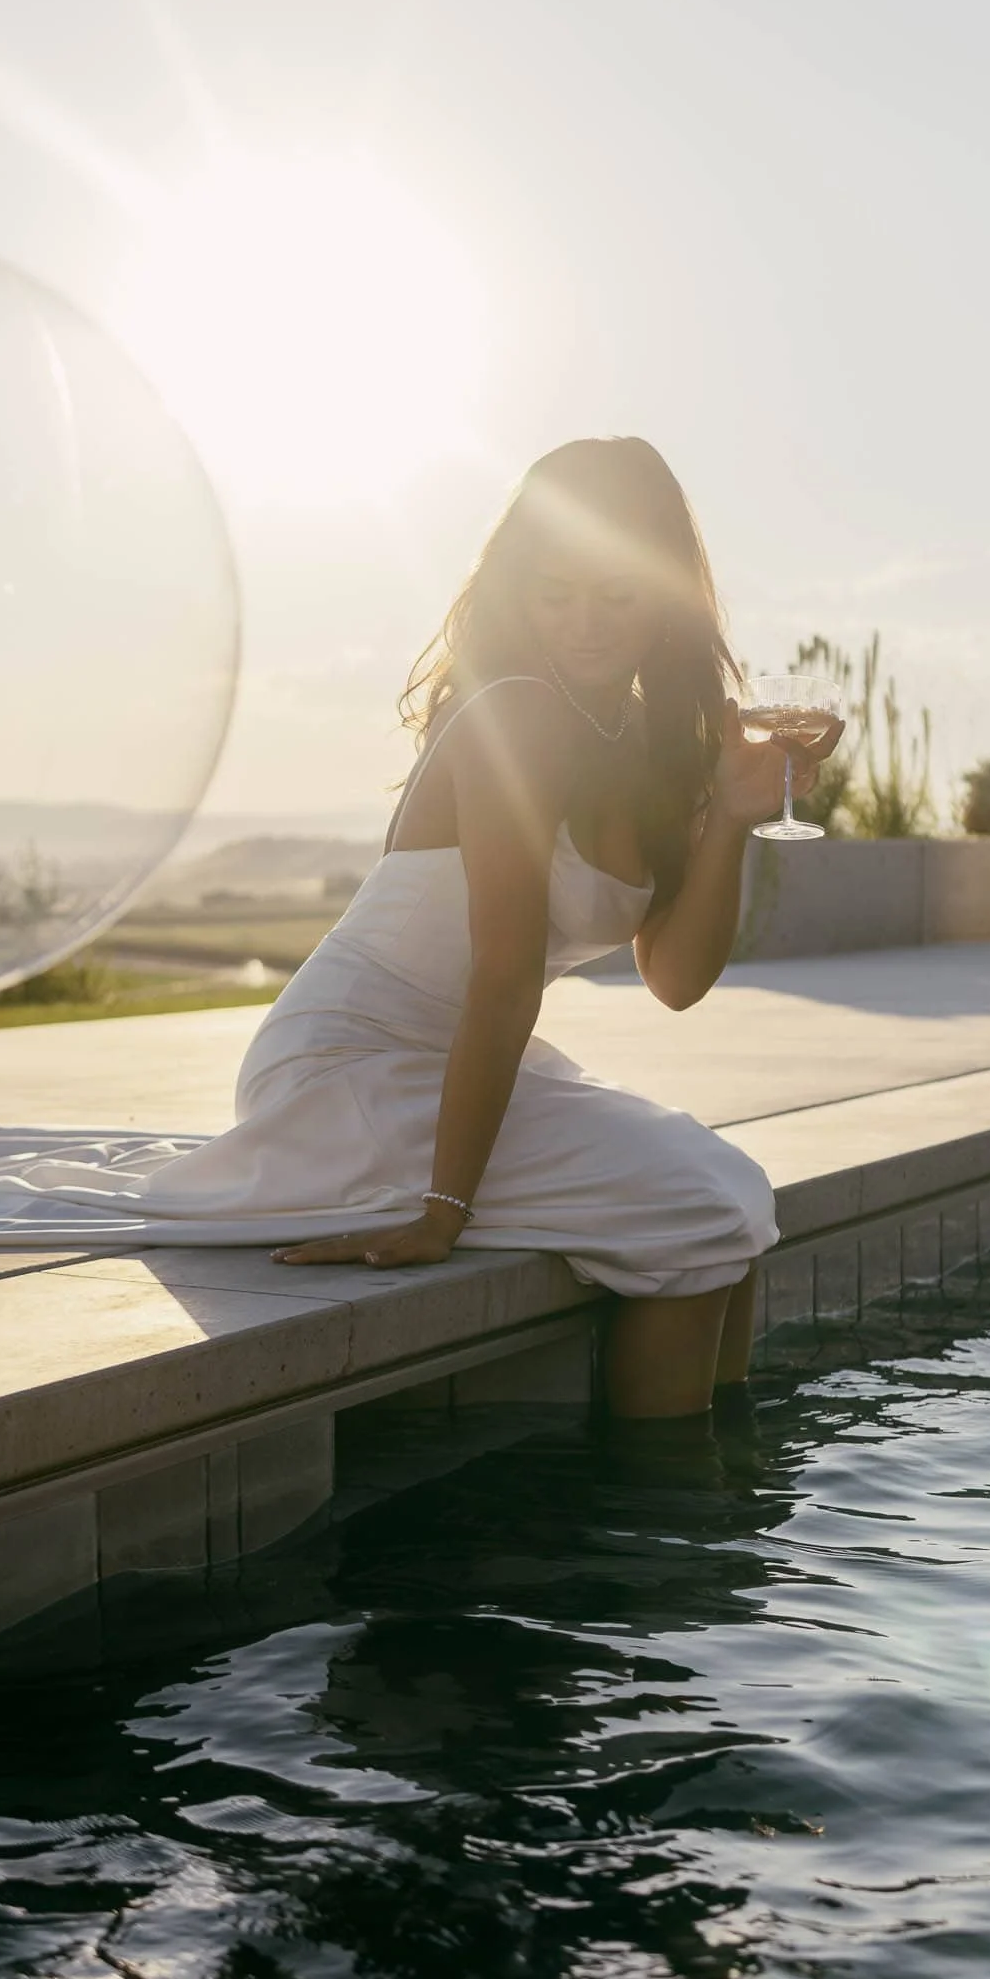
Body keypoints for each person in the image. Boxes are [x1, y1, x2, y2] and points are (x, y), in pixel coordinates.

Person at [235, 436, 836, 1418]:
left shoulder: (651, 740)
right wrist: (444, 1212)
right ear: (518, 589)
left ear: (666, 595)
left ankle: (723, 1495)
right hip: (341, 1067)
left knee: (732, 1198)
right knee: (697, 1198)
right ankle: (662, 1523)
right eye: (555, 592)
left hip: (449, 1063)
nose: (584, 626)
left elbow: (674, 978)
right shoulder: (514, 714)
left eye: (616, 596)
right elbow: (504, 973)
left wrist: (730, 814)